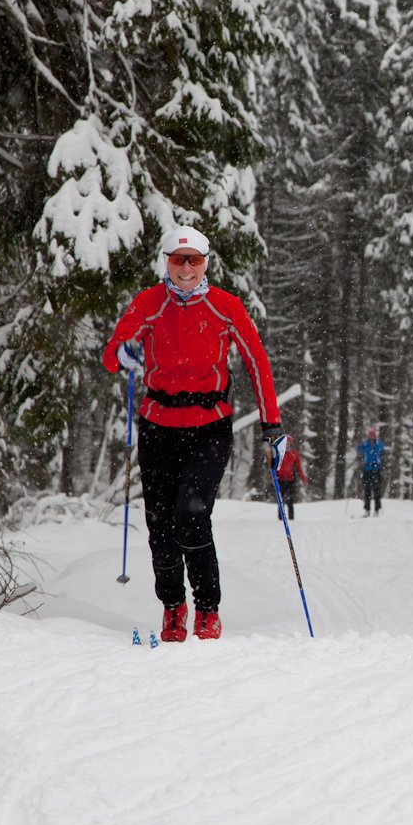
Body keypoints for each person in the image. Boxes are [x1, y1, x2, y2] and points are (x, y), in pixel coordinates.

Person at [103, 227, 286, 642]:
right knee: (160, 523)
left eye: (194, 260)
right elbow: (112, 354)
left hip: (208, 426)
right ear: (165, 260)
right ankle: (173, 607)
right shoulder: (148, 303)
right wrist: (124, 352)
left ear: (206, 263)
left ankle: (207, 608)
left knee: (192, 514)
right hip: (158, 426)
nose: (186, 268)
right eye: (178, 259)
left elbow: (257, 361)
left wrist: (272, 425)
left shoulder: (225, 307)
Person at [356, 426, 384, 517]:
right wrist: (359, 445)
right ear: (368, 435)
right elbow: (358, 449)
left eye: (373, 434)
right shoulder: (365, 444)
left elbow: (381, 448)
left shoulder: (378, 444)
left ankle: (376, 510)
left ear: (375, 435)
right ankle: (367, 510)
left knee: (376, 491)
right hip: (367, 469)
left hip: (376, 469)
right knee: (367, 490)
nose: (371, 436)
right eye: (370, 434)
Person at [275, 445, 308, 520]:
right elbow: (275, 467)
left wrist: (303, 478)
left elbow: (299, 467)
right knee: (281, 499)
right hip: (280, 480)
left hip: (290, 480)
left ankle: (291, 518)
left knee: (290, 500)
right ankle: (281, 518)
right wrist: (274, 478)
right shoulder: (279, 453)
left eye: (289, 442)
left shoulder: (294, 454)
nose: (287, 444)